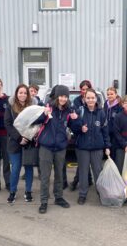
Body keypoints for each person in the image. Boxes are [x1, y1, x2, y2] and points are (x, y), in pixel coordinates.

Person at [34, 85, 78, 214]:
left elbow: (75, 127)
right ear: (56, 96)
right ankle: (43, 201)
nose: (63, 99)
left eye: (65, 96)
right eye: (61, 96)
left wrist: (76, 120)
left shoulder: (69, 110)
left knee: (59, 174)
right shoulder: (47, 107)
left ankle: (58, 197)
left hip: (60, 147)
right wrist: (44, 115)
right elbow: (35, 121)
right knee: (45, 176)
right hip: (46, 147)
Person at [71, 88, 111, 205]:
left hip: (97, 148)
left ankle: (100, 193)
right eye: (88, 98)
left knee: (98, 171)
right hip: (82, 148)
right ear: (84, 99)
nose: (90, 100)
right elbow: (73, 128)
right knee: (83, 172)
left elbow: (105, 131)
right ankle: (82, 194)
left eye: (92, 98)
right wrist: (79, 128)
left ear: (96, 99)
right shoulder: (80, 111)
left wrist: (107, 146)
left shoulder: (101, 113)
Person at [4, 84, 35, 203]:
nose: (22, 95)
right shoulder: (10, 107)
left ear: (28, 95)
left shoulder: (32, 107)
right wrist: (18, 138)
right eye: (20, 92)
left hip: (28, 143)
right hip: (14, 143)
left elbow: (36, 123)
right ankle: (13, 191)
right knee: (16, 168)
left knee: (28, 168)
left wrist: (28, 136)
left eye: (25, 93)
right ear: (16, 94)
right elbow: (7, 124)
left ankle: (28, 191)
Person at [69, 80, 94, 191]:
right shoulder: (76, 101)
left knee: (84, 162)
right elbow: (76, 117)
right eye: (82, 89)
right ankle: (86, 179)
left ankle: (77, 181)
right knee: (82, 161)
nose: (84, 91)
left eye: (86, 89)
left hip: (91, 133)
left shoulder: (93, 99)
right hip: (80, 133)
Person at [103, 86, 123, 162]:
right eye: (108, 94)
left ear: (116, 94)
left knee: (114, 153)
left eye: (111, 94)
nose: (109, 96)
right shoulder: (105, 104)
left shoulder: (120, 105)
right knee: (108, 153)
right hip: (107, 133)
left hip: (115, 134)